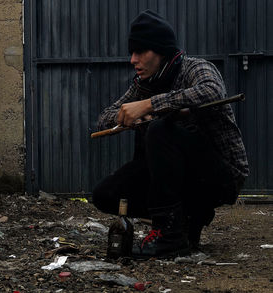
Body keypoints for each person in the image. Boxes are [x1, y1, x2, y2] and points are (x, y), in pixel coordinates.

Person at [92, 10, 248, 258]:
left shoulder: (195, 68)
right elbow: (104, 119)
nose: (133, 60)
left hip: (220, 176)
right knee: (105, 195)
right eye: (132, 52)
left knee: (161, 128)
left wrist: (151, 105)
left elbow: (212, 92)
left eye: (140, 52)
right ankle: (186, 219)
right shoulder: (143, 83)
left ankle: (170, 236)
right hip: (176, 178)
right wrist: (127, 116)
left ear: (161, 51)